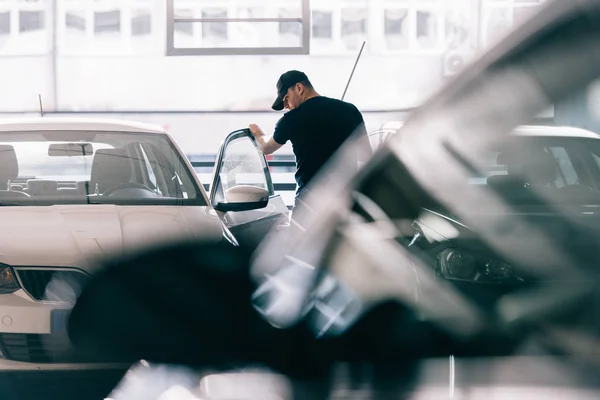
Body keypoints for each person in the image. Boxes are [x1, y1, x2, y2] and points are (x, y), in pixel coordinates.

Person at [249, 70, 371, 205]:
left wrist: (256, 132)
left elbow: (266, 147)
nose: (287, 106)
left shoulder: (291, 119)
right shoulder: (350, 110)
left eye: (286, 99)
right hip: (346, 199)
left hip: (310, 203)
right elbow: (365, 155)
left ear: (299, 88)